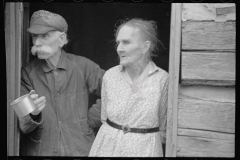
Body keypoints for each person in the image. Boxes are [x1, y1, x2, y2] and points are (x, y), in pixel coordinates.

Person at [18, 10, 105, 156]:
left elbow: (115, 91)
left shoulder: (83, 66)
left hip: (81, 149)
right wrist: (33, 114)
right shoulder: (26, 74)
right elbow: (24, 126)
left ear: (62, 39)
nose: (37, 42)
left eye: (45, 35)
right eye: (34, 36)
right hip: (42, 150)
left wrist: (91, 119)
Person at [89, 18, 169, 157]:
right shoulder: (110, 75)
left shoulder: (162, 80)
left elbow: (163, 126)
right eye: (118, 43)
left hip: (145, 150)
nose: (119, 49)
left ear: (145, 47)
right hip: (107, 148)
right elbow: (104, 118)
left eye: (126, 42)